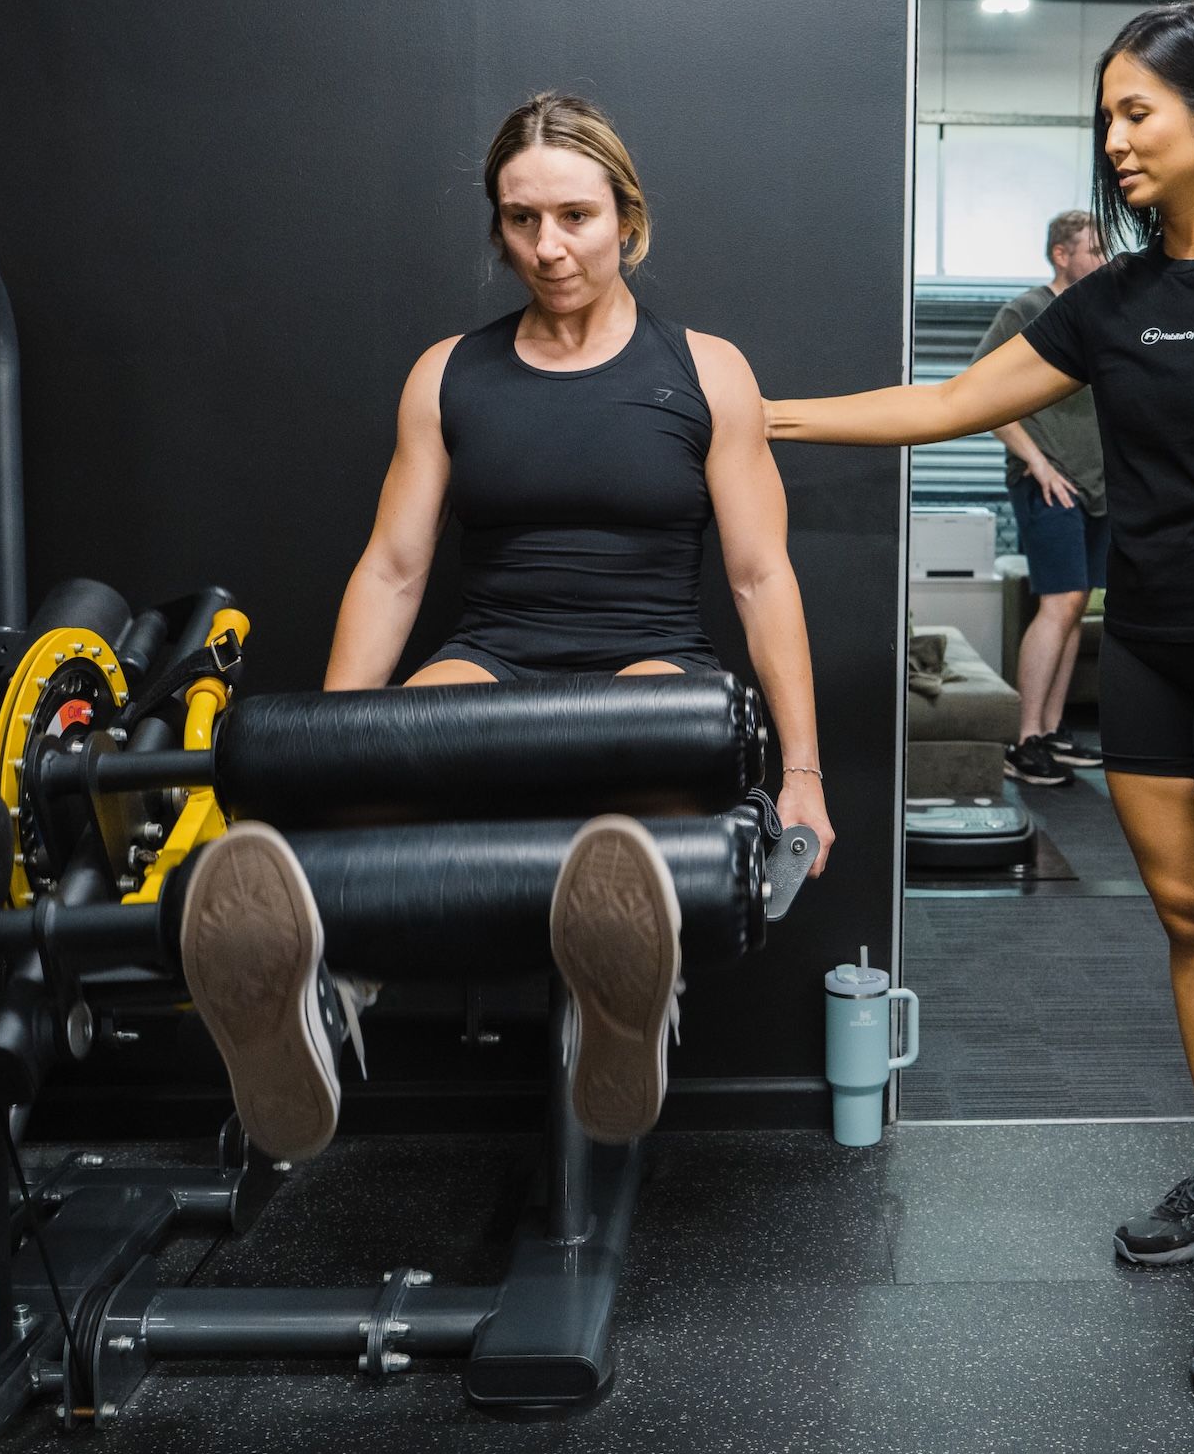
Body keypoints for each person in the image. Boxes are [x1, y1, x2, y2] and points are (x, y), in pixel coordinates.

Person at [768, 0, 1194, 1398]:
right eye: (1108, 114)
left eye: (1140, 110)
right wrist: (758, 414)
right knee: (1191, 922)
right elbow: (946, 402)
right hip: (1152, 641)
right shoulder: (1117, 298)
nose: (1116, 137)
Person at [180, 93, 834, 1161]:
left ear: (626, 216)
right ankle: (322, 993)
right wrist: (336, 750)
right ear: (498, 226)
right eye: (522, 219)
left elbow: (762, 577)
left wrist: (801, 770)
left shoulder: (706, 371)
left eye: (573, 216)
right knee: (387, 764)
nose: (548, 245)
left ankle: (623, 1003)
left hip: (648, 663)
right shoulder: (448, 373)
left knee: (661, 758)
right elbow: (394, 569)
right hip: (494, 655)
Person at [984, 210, 1110, 788]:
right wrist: (1037, 463)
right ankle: (1025, 737)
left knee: (1076, 607)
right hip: (1047, 481)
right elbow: (981, 390)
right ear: (1062, 254)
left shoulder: (1100, 311)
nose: (1105, 259)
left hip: (1096, 488)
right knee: (1058, 603)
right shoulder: (1028, 311)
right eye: (1095, 249)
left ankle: (1052, 729)